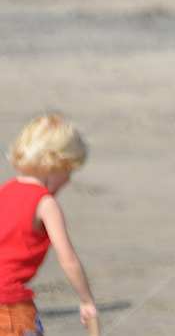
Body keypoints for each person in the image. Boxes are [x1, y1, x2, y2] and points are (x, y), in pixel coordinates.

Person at [1, 114, 99, 335]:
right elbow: (68, 259)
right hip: (9, 304)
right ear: (56, 165)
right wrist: (86, 300)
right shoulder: (45, 203)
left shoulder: (5, 191)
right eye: (69, 171)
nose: (69, 180)